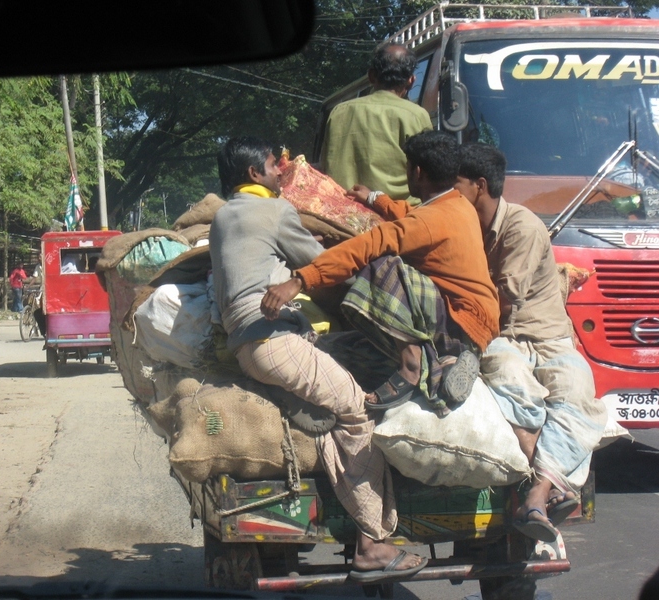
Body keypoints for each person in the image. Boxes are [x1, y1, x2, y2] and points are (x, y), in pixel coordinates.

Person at [209, 136, 428, 583]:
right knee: (357, 410)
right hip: (275, 339)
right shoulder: (273, 209)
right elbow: (325, 263)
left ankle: (311, 419)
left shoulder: (222, 216)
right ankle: (371, 545)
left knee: (332, 414)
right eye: (273, 166)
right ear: (255, 174)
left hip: (248, 347)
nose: (279, 173)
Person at [263, 131, 499, 415]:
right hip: (474, 325)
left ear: (418, 171)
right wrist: (375, 198)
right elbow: (413, 214)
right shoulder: (459, 204)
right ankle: (445, 363)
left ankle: (413, 366)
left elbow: (370, 244)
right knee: (338, 347)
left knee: (380, 265)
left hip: (458, 320)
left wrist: (301, 279)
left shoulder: (429, 221)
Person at [454, 142, 607, 542]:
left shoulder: (521, 226)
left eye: (457, 185)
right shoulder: (464, 224)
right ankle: (540, 492)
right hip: (503, 337)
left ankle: (536, 492)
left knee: (579, 397)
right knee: (513, 384)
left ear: (479, 186)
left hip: (546, 337)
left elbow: (503, 298)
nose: (452, 194)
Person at [319, 41, 432, 203]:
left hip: (341, 216)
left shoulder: (339, 112)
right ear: (411, 81)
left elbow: (325, 166)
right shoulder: (417, 115)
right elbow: (426, 178)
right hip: (397, 219)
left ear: (371, 76)